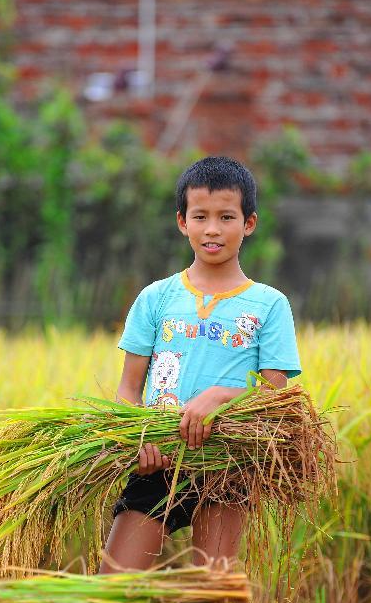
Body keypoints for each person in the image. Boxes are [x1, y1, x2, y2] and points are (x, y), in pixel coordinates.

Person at [99, 155, 301, 573]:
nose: (212, 229)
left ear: (249, 223)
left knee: (210, 593)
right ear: (182, 222)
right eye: (201, 216)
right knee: (111, 588)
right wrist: (138, 437)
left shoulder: (269, 305)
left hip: (228, 462)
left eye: (227, 216)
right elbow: (128, 389)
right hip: (158, 460)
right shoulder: (156, 298)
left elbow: (275, 396)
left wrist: (221, 396)